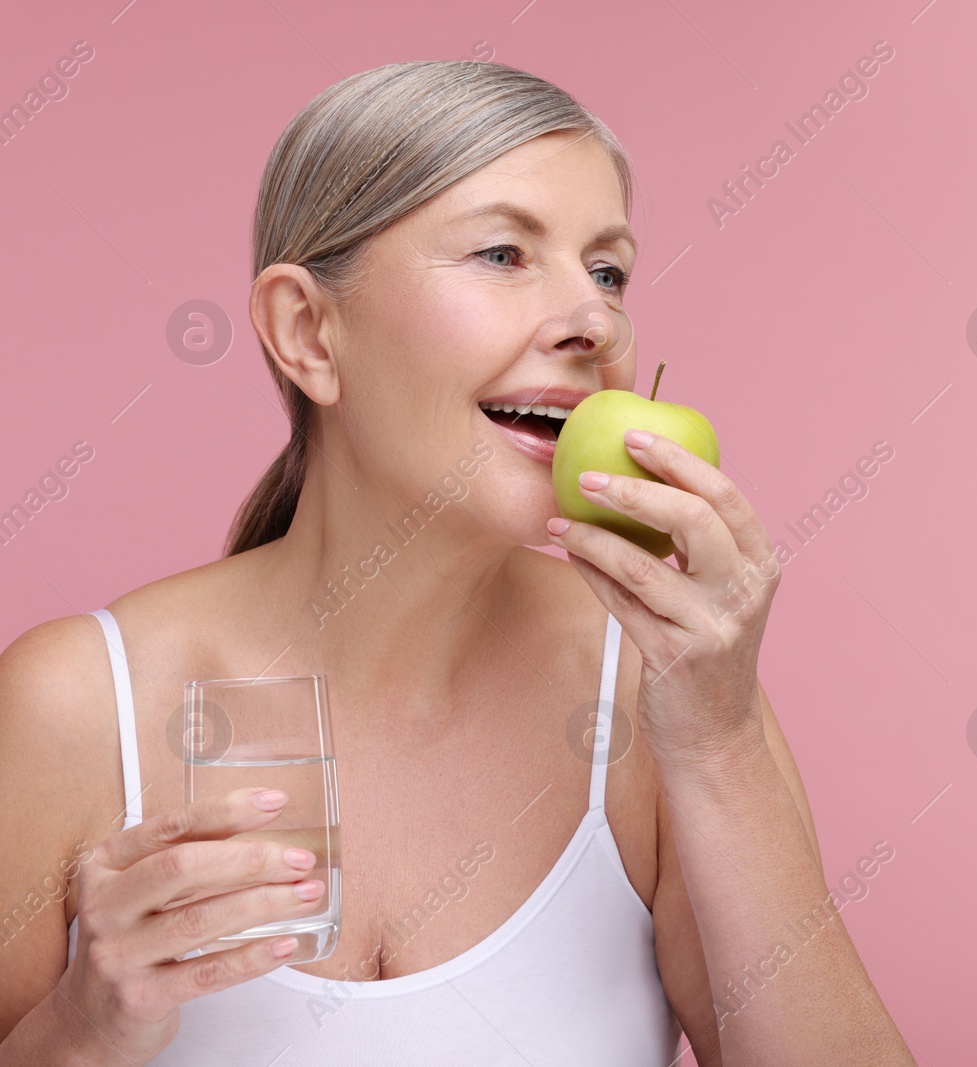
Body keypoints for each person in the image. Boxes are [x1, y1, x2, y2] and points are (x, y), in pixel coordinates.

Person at [0, 59, 915, 1066]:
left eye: (607, 270)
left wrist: (720, 736)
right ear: (309, 330)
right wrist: (81, 1032)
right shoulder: (74, 708)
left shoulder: (660, 689)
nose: (596, 322)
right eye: (502, 253)